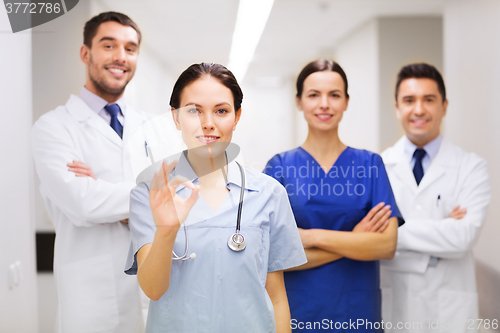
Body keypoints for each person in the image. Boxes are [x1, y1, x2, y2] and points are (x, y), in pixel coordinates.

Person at [124, 63, 307, 333]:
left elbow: (277, 297)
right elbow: (152, 289)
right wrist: (166, 231)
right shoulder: (149, 193)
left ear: (237, 116)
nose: (208, 123)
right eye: (194, 111)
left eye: (221, 111)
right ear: (175, 117)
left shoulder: (269, 193)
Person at [32, 12, 152, 333]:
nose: (120, 57)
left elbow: (178, 202)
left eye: (130, 48)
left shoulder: (151, 128)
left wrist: (102, 188)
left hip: (153, 287)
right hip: (93, 297)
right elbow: (82, 204)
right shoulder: (53, 128)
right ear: (86, 53)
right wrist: (149, 197)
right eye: (109, 45)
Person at [264, 59, 403, 332]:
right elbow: (271, 255)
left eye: (334, 95)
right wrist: (356, 241)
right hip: (298, 312)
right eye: (314, 95)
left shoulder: (370, 164)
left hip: (357, 312)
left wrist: (309, 237)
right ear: (299, 102)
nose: (324, 104)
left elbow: (386, 246)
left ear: (346, 102)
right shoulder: (279, 167)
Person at [380, 63, 491, 332]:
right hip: (396, 304)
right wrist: (442, 228)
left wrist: (395, 229)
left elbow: (463, 236)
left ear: (444, 106)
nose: (419, 109)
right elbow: (370, 240)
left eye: (429, 100)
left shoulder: (471, 167)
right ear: (397, 107)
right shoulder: (378, 167)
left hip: (450, 310)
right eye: (409, 100)